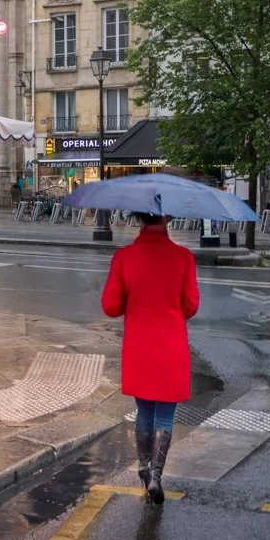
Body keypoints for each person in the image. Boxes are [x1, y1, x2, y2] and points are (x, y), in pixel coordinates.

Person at [100, 212, 200, 505]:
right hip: (170, 346)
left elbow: (110, 306)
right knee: (165, 415)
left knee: (144, 410)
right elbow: (191, 305)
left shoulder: (124, 257)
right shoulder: (183, 258)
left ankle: (143, 466)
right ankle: (157, 475)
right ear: (168, 218)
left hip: (139, 346)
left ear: (138, 217)